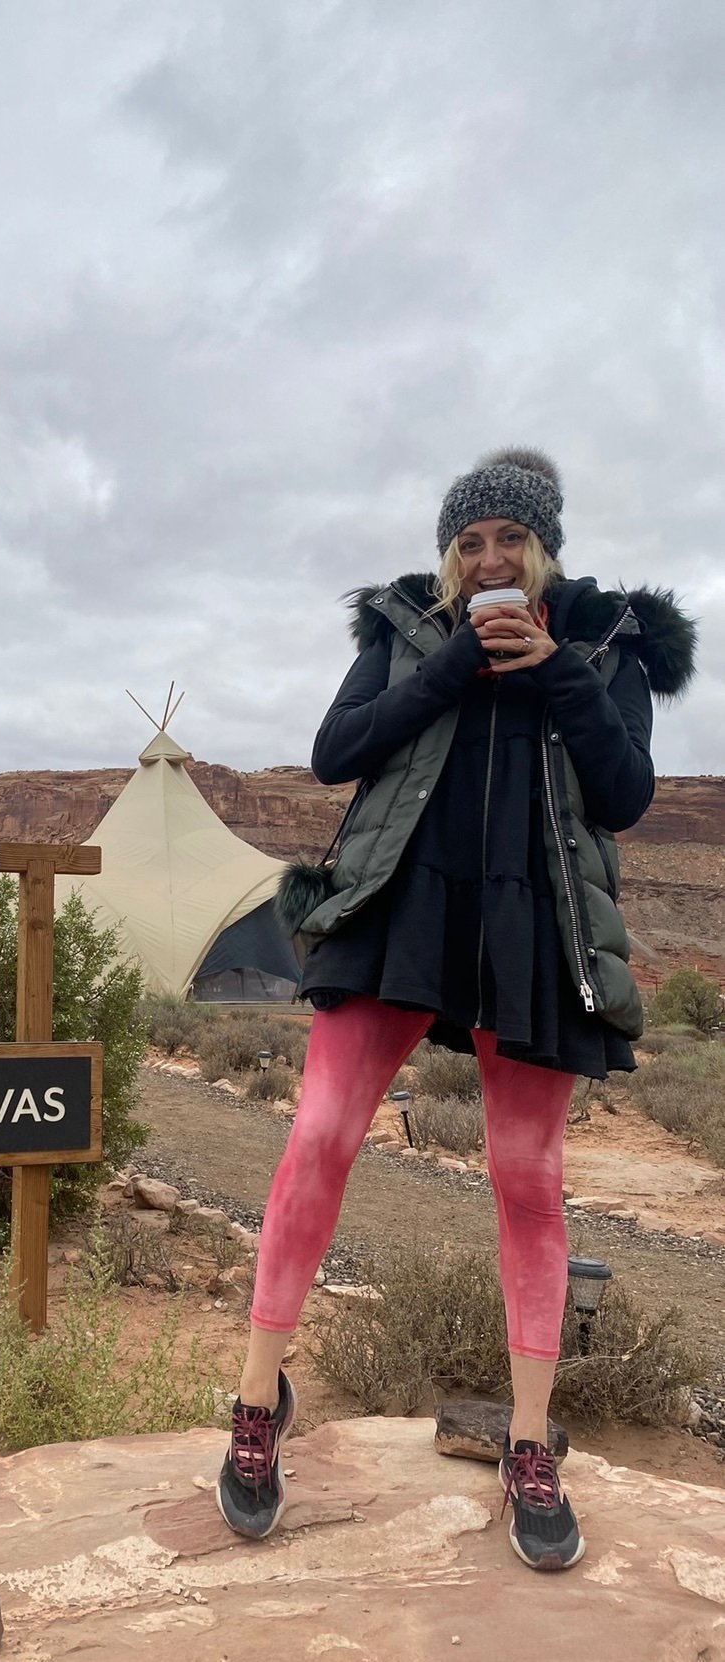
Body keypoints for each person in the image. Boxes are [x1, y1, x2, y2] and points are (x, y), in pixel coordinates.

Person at [216, 448, 696, 1570]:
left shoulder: (609, 636)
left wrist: (552, 672)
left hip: (534, 929)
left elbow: (625, 793)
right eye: (468, 541)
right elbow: (338, 753)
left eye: (508, 540)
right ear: (449, 554)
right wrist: (443, 670)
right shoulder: (402, 627)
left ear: (544, 549)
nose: (489, 559)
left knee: (526, 1178)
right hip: (399, 906)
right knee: (320, 1132)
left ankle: (530, 1441)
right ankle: (255, 1403)